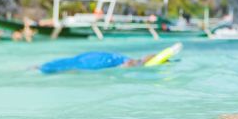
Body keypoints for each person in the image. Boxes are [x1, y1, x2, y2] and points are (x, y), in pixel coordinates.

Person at [38, 42, 182, 74]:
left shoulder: (126, 60)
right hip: (101, 60)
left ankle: (38, 67)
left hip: (98, 57)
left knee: (71, 64)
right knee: (71, 67)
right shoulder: (129, 62)